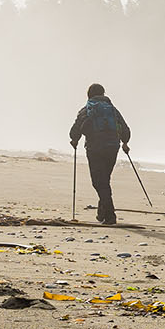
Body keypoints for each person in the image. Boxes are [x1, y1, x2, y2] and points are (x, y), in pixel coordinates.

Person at [69, 83, 131, 225]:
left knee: (99, 182)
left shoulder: (87, 109)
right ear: (103, 94)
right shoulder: (112, 110)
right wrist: (125, 142)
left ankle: (110, 215)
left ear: (89, 95)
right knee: (104, 180)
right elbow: (125, 129)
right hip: (112, 147)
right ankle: (102, 213)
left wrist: (74, 140)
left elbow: (75, 129)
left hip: (95, 148)